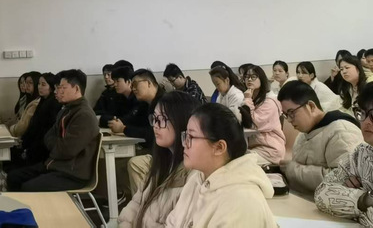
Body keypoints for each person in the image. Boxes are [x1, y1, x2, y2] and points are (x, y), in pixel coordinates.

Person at [165, 103, 276, 228]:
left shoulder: (241, 201)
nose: (185, 143)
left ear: (219, 147)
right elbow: (172, 222)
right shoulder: (197, 178)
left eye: (191, 136)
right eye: (185, 135)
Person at [6, 69, 100, 192]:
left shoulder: (84, 115)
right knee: (13, 177)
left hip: (72, 173)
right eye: (58, 87)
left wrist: (54, 143)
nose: (57, 91)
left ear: (76, 89)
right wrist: (56, 143)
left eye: (62, 88)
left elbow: (66, 150)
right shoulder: (65, 110)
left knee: (29, 187)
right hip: (54, 165)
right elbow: (48, 136)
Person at [118, 91, 198, 228]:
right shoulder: (162, 164)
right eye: (154, 118)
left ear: (182, 122)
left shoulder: (193, 174)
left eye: (162, 120)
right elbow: (136, 204)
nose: (155, 125)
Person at [278, 81, 363, 194]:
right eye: (285, 115)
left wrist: (292, 170)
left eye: (291, 113)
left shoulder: (341, 131)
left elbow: (344, 179)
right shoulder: (303, 134)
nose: (288, 120)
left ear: (311, 106)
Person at [315, 82, 373, 226]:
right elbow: (322, 193)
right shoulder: (361, 153)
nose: (366, 122)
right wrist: (364, 199)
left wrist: (352, 206)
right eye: (362, 113)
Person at [110, 69, 164, 193]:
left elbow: (152, 133)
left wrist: (124, 129)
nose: (133, 88)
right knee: (117, 162)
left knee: (124, 164)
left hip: (162, 152)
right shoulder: (145, 104)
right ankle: (133, 197)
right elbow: (133, 120)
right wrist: (120, 124)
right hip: (151, 148)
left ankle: (140, 199)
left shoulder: (164, 103)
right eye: (131, 85)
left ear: (149, 83)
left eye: (135, 84)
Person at [242, 65, 285, 164]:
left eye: (253, 76)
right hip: (255, 147)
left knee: (240, 163)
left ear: (261, 79)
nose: (249, 79)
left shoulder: (269, 102)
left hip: (270, 150)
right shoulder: (252, 99)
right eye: (247, 77)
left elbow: (254, 124)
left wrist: (247, 99)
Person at [16, 73, 63, 165]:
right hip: (32, 145)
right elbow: (33, 126)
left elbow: (44, 131)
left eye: (43, 84)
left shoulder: (53, 104)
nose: (39, 87)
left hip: (40, 150)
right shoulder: (42, 100)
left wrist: (27, 150)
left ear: (51, 87)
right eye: (38, 84)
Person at [8, 71, 42, 137]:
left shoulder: (35, 103)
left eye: (30, 83)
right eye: (26, 82)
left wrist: (11, 128)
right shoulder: (27, 98)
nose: (26, 85)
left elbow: (22, 127)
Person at [94, 63, 124, 128]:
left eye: (109, 75)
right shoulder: (105, 93)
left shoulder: (120, 92)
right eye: (104, 75)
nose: (106, 77)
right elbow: (96, 109)